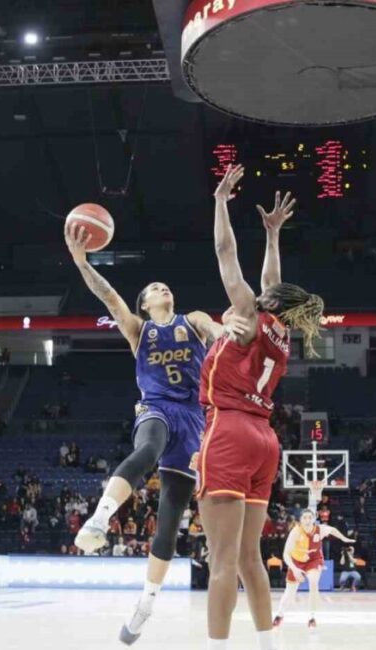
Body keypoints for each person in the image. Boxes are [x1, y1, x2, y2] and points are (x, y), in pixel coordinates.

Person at [64, 220, 248, 645]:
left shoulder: (193, 319)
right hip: (157, 407)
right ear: (145, 303)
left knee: (170, 520)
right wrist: (81, 262)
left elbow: (218, 332)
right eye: (154, 288)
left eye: (166, 286)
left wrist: (228, 332)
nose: (163, 288)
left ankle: (146, 603)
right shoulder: (138, 329)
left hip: (194, 419)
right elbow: (109, 297)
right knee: (148, 448)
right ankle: (100, 517)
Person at [198, 165, 325, 650]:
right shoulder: (280, 332)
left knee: (221, 561)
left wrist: (219, 202)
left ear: (266, 300)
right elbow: (273, 278)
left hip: (229, 429)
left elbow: (224, 252)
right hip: (264, 441)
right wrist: (272, 235)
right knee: (249, 557)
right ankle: (266, 645)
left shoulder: (248, 314)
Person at [273, 509, 355, 628]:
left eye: (309, 517)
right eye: (304, 518)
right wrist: (295, 569)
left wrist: (344, 538)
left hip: (314, 560)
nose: (307, 520)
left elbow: (332, 530)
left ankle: (312, 617)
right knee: (290, 592)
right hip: (296, 561)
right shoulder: (295, 532)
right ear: (300, 520)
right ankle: (279, 615)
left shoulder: (320, 529)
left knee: (313, 582)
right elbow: (286, 554)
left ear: (314, 519)